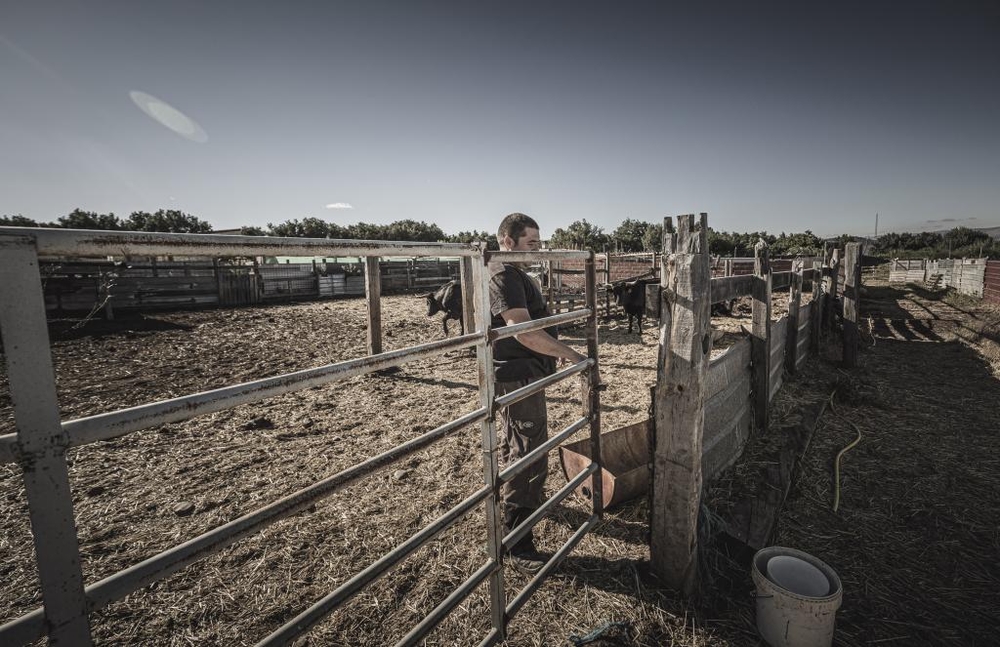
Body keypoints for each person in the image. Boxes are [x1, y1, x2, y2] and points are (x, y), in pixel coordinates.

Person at [489, 212, 591, 575]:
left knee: (514, 444)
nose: (537, 249)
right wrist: (573, 354)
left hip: (522, 374)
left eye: (537, 242)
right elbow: (523, 331)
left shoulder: (516, 274)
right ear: (507, 241)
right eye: (530, 243)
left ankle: (510, 510)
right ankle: (517, 543)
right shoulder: (503, 276)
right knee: (527, 453)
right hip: (517, 376)